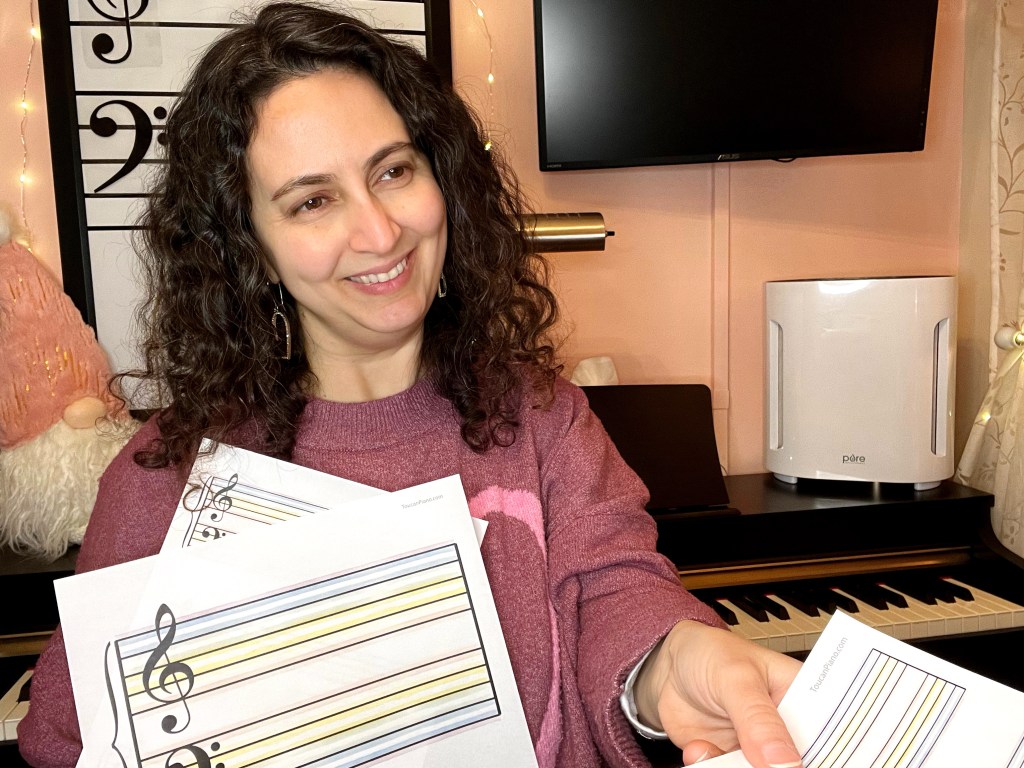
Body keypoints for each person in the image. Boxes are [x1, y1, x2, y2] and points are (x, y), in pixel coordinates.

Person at [19, 4, 803, 767]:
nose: (381, 231)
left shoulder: (543, 421)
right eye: (313, 200)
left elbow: (615, 592)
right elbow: (68, 737)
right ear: (248, 246)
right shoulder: (167, 477)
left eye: (393, 171)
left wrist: (669, 664)